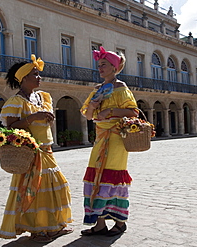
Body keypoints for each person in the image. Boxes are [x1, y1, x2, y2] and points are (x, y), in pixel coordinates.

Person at [0, 55, 73, 242]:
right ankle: (39, 229)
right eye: (35, 74)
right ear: (23, 79)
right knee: (37, 190)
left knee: (56, 186)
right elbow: (11, 126)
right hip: (31, 152)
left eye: (39, 74)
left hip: (47, 150)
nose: (39, 77)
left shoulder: (42, 97)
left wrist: (45, 117)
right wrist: (34, 117)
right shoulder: (17, 101)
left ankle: (52, 225)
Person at [80, 47, 139, 237]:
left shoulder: (121, 88)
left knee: (111, 176)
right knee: (95, 175)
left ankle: (120, 222)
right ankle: (99, 224)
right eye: (99, 65)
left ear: (114, 67)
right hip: (100, 138)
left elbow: (133, 112)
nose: (100, 68)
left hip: (116, 139)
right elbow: (88, 116)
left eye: (103, 65)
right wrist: (94, 105)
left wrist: (111, 112)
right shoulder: (97, 90)